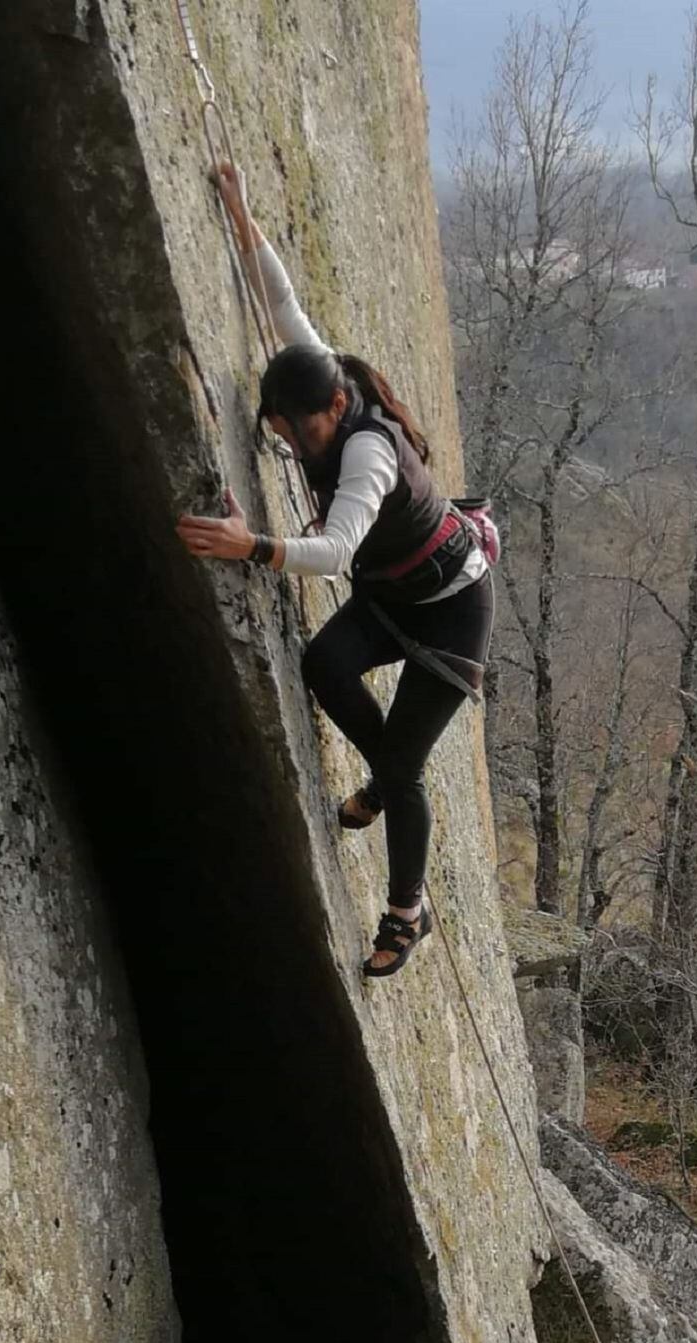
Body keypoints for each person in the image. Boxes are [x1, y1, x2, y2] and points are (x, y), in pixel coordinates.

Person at [176, 163, 495, 978]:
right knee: (326, 664)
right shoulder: (322, 373)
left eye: (290, 433)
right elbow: (280, 307)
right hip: (395, 593)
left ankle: (406, 911)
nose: (286, 443)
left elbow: (333, 553)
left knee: (398, 767)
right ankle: (390, 783)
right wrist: (242, 218)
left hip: (452, 610)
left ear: (324, 414)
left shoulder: (365, 454)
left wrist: (248, 545)